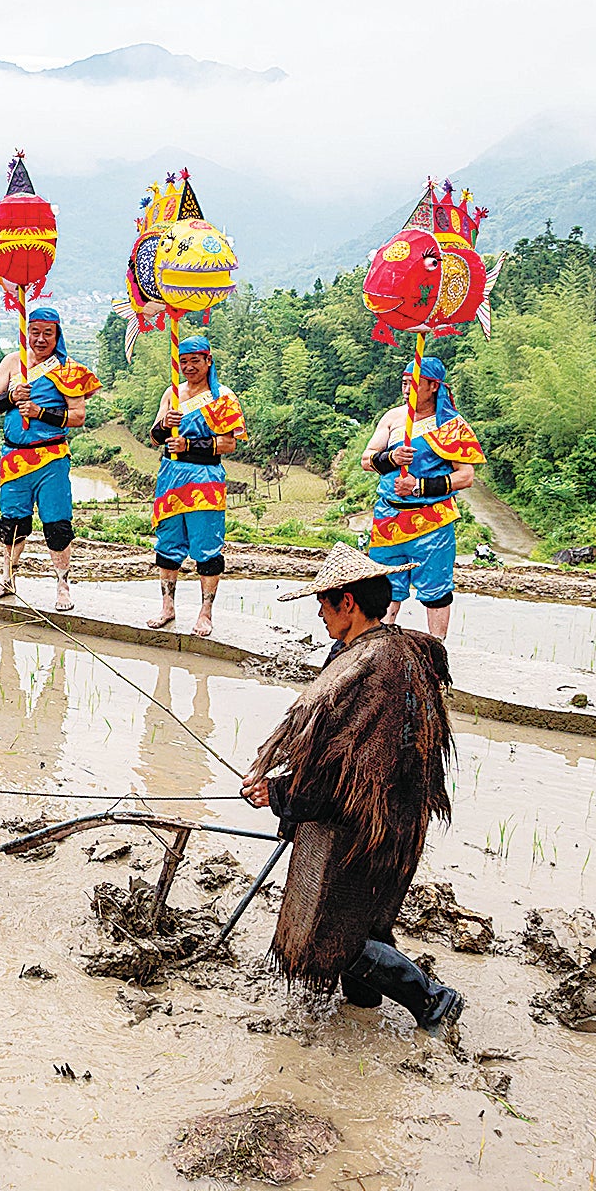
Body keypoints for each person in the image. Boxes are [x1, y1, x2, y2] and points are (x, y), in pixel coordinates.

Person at [241, 542, 463, 1033]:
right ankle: (363, 1007)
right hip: (389, 815)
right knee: (366, 918)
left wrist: (279, 794)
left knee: (333, 931)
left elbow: (343, 768)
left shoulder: (374, 667)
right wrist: (284, 792)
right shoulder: (380, 649)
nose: (319, 613)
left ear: (348, 602)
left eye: (323, 602)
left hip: (365, 820)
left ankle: (432, 1001)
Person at [0, 305, 98, 611]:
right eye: (35, 332)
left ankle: (62, 584)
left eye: (48, 333)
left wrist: (40, 412)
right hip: (14, 457)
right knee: (12, 523)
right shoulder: (12, 362)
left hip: (51, 458)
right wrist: (12, 397)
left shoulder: (68, 368)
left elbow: (78, 415)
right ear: (26, 332)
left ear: (57, 334)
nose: (41, 338)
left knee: (57, 525)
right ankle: (7, 578)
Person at [359, 354, 483, 640]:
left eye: (414, 384)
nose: (407, 390)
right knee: (385, 588)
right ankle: (380, 648)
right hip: (389, 517)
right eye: (404, 383)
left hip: (431, 521)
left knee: (436, 592)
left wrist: (419, 486)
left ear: (433, 386)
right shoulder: (393, 418)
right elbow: (367, 459)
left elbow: (466, 476)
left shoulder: (451, 425)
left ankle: (437, 652)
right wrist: (391, 457)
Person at [148, 334, 246, 633]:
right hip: (171, 476)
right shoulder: (172, 394)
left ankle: (206, 612)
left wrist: (190, 446)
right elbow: (154, 438)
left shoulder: (222, 397)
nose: (189, 367)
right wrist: (165, 425)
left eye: (195, 361)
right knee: (168, 543)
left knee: (207, 546)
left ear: (208, 361)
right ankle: (167, 606)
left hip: (204, 478)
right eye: (184, 361)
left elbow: (229, 444)